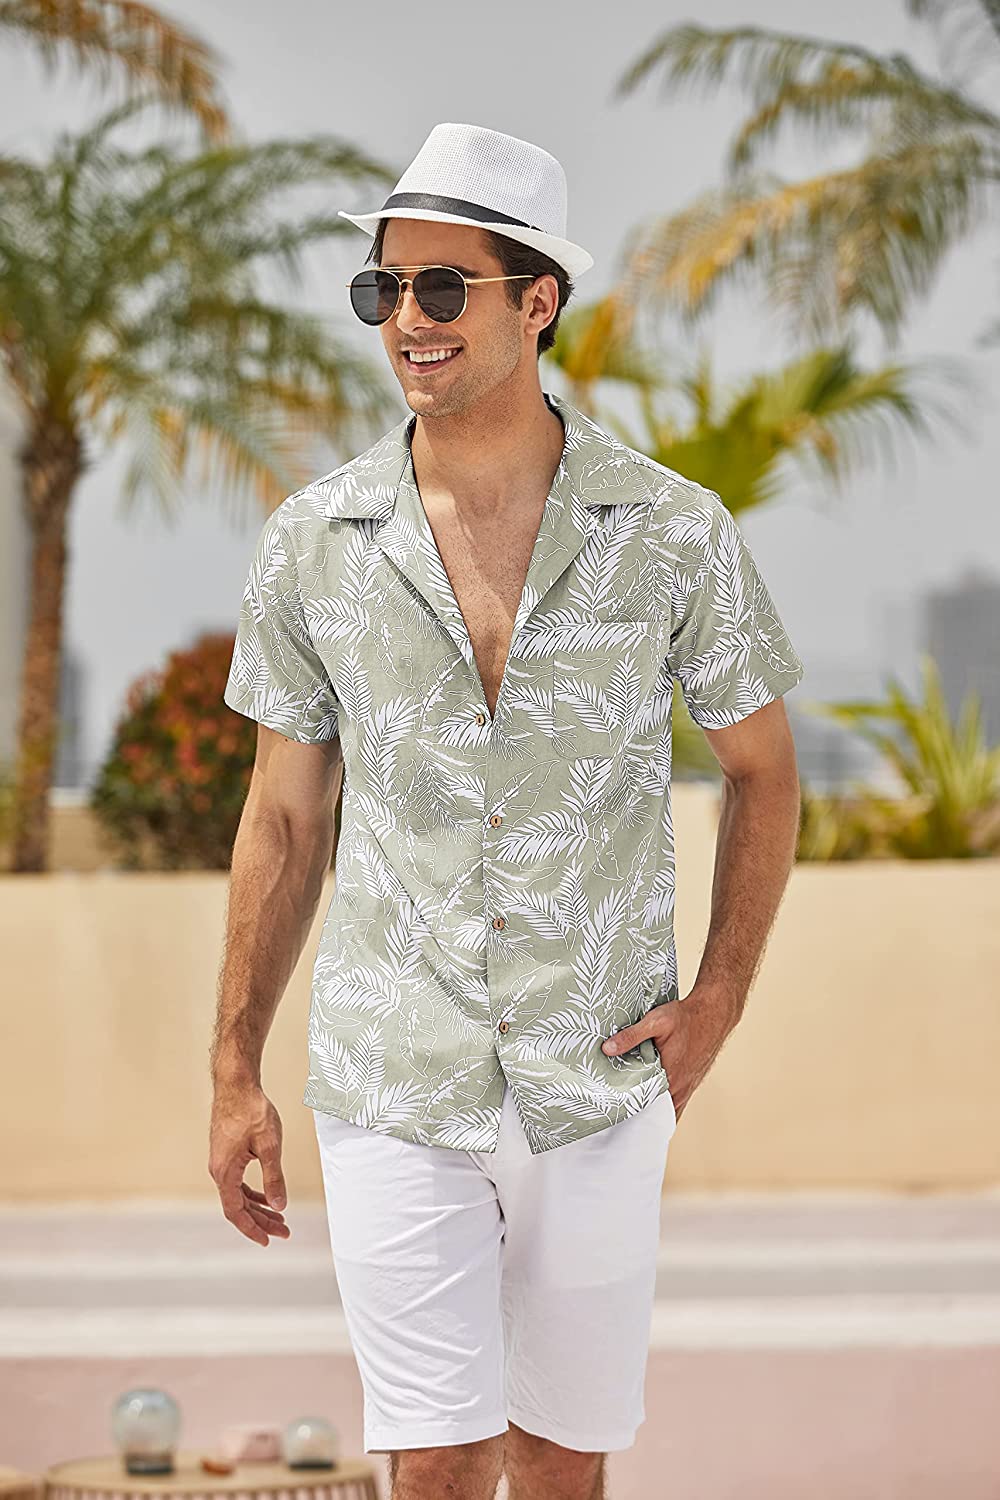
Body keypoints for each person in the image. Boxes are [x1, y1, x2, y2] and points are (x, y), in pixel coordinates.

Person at [209, 122, 805, 1500]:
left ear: (537, 302)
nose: (406, 321)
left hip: (595, 1072)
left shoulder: (671, 531)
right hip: (391, 1069)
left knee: (557, 1458)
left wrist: (719, 997)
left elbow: (764, 768)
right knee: (435, 1454)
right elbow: (284, 821)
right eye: (384, 288)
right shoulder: (314, 541)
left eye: (442, 287)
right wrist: (234, 1067)